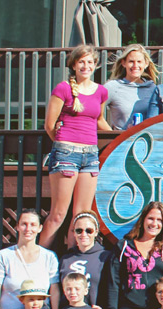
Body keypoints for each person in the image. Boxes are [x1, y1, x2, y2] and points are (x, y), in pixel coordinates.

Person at [41, 44, 109, 249]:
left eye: (90, 62)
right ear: (74, 65)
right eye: (81, 62)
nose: (85, 66)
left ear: (95, 65)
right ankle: (38, 261)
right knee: (59, 213)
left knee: (82, 215)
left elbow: (100, 121)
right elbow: (49, 125)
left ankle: (73, 262)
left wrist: (123, 134)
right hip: (66, 152)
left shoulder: (101, 92)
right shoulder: (63, 88)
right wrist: (63, 144)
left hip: (90, 154)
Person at [59, 212, 109, 309]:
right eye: (79, 230)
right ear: (73, 233)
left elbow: (112, 290)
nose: (83, 234)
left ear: (96, 232)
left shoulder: (105, 257)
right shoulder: (66, 259)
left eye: (89, 231)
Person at [103, 43, 158, 130]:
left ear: (146, 64)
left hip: (145, 140)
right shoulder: (112, 87)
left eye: (139, 62)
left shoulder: (153, 89)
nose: (135, 66)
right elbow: (95, 115)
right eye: (131, 61)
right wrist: (112, 135)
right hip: (121, 141)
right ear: (123, 63)